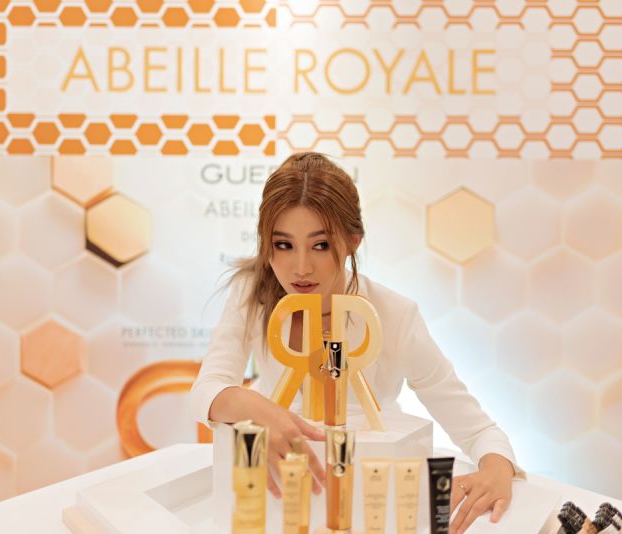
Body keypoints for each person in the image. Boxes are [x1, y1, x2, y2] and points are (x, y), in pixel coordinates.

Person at [190, 152, 520, 533]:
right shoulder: (252, 294)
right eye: (283, 245)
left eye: (320, 245)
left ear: (352, 241)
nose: (301, 267)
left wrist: (498, 468)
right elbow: (205, 391)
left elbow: (478, 430)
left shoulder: (393, 314)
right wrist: (252, 406)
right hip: (274, 499)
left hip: (368, 500)